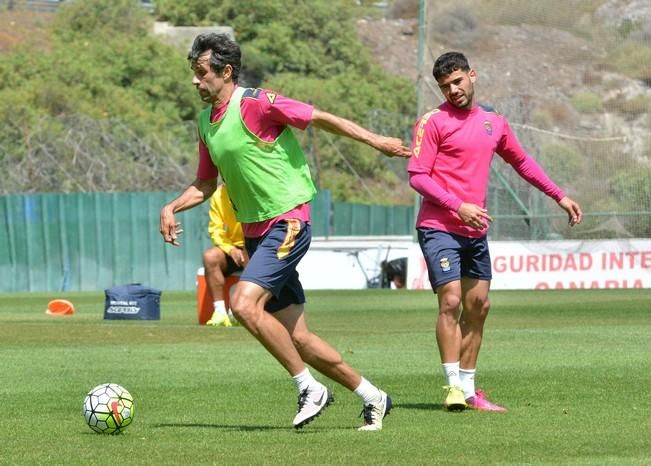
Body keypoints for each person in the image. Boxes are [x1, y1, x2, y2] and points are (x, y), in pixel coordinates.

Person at [159, 33, 411, 430]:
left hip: (289, 221)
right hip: (257, 233)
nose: (195, 81)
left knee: (243, 305)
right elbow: (206, 184)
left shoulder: (257, 103)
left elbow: (320, 118)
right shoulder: (206, 124)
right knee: (300, 338)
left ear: (226, 72)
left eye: (201, 72)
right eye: (193, 72)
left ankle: (309, 388)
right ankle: (373, 396)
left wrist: (374, 140)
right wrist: (172, 206)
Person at [408, 52, 582, 412]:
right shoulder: (433, 122)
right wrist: (459, 206)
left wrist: (559, 196)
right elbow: (417, 175)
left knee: (479, 307)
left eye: (457, 81)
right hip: (439, 226)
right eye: (445, 86)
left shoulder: (493, 122)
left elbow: (521, 161)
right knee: (451, 301)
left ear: (472, 75)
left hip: (475, 230)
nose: (453, 90)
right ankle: (453, 387)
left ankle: (471, 392)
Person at [203, 183, 247, 327]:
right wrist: (231, 249)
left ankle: (238, 309)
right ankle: (220, 312)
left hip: (254, 246)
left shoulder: (254, 187)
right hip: (232, 248)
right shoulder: (218, 194)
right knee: (210, 257)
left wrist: (246, 248)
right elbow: (216, 230)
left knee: (252, 257)